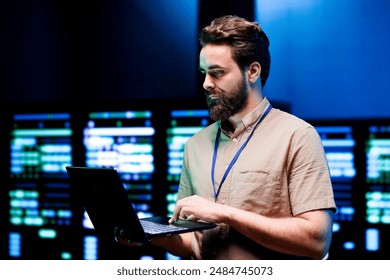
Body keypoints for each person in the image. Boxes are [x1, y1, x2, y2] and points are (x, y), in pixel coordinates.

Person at [117, 15, 336, 260]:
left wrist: (224, 213)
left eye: (217, 73)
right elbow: (193, 242)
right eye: (203, 73)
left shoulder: (297, 136)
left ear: (252, 72)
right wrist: (149, 235)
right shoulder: (195, 145)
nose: (205, 84)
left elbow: (317, 241)